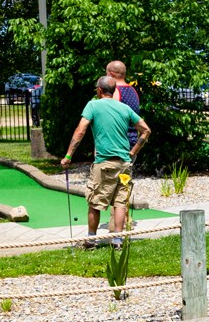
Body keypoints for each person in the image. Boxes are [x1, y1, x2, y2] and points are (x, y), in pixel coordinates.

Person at [62, 76, 149, 244]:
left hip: (104, 163)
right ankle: (117, 239)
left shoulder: (93, 105)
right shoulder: (124, 108)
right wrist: (133, 152)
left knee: (95, 201)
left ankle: (91, 240)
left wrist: (68, 156)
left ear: (99, 90)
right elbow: (146, 130)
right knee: (120, 203)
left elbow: (80, 131)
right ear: (114, 90)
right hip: (124, 164)